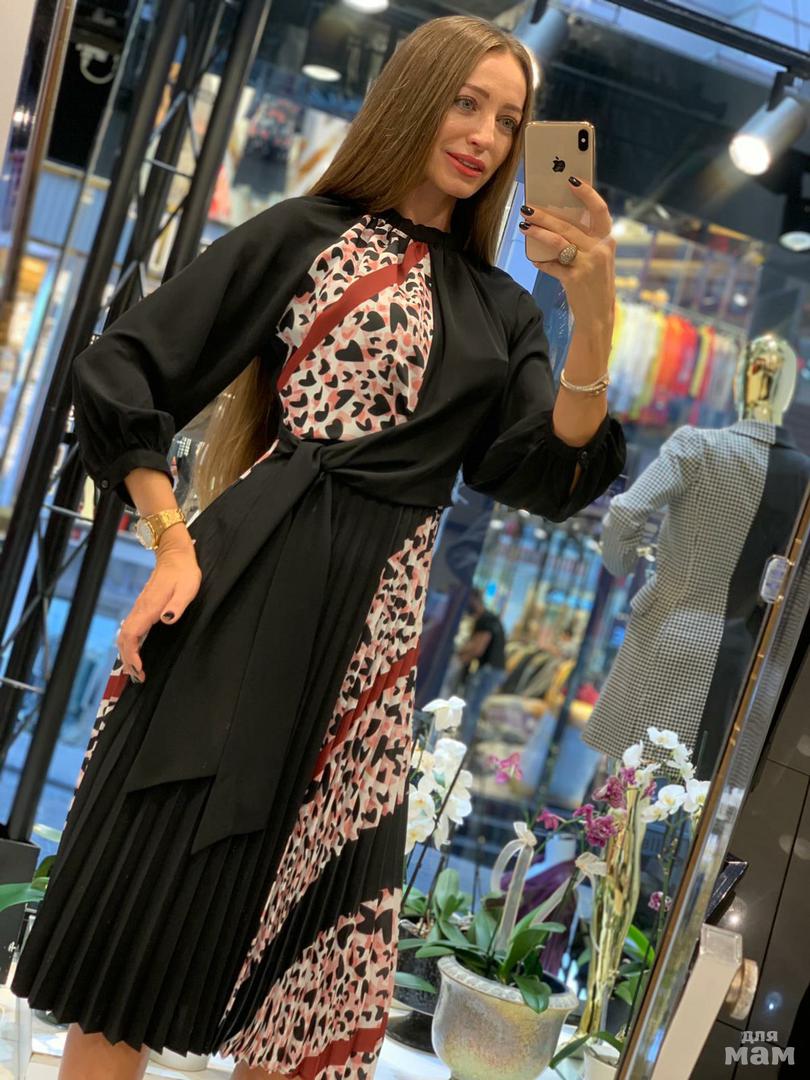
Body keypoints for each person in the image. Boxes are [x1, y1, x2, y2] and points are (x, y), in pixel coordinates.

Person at [11, 15, 625, 1080]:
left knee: (314, 977)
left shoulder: (504, 311)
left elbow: (547, 471)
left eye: (509, 120)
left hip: (372, 645)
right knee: (142, 928)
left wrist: (595, 302)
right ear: (413, 98)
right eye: (465, 102)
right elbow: (122, 368)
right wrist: (169, 541)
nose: (483, 136)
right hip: (244, 589)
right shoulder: (309, 233)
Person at [457, 588, 507, 746]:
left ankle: (462, 744)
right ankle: (463, 742)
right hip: (495, 670)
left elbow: (478, 648)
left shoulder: (485, 620)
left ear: (473, 600)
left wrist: (458, 658)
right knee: (473, 707)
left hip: (489, 670)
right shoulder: (491, 618)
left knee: (471, 707)